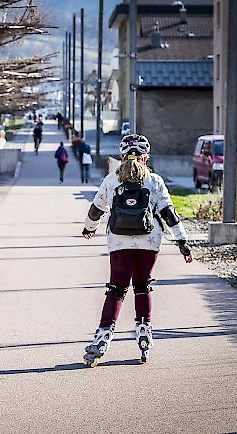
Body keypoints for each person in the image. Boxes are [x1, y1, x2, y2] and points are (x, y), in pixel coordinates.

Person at [80, 134, 193, 367]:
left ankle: (102, 337)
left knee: (116, 289)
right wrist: (182, 242)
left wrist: (88, 229)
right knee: (143, 286)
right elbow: (168, 214)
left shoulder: (112, 180)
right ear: (146, 156)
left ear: (122, 156)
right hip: (149, 242)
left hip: (119, 242)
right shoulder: (154, 181)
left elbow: (96, 209)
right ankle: (144, 331)